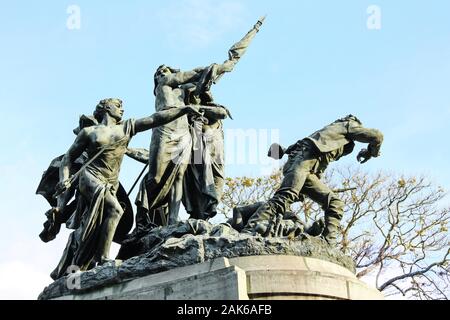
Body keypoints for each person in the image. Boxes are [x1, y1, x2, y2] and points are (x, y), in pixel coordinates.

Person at [50, 98, 200, 279]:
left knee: (94, 225)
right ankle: (104, 257)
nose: (122, 109)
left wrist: (183, 110)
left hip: (110, 182)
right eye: (118, 106)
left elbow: (155, 119)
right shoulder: (88, 132)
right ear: (106, 108)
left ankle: (84, 259)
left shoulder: (127, 127)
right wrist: (64, 179)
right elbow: (67, 159)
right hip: (90, 177)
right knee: (115, 210)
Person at [242, 115, 384, 246]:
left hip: (308, 169)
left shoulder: (329, 133)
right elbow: (377, 136)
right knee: (284, 197)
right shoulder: (348, 125)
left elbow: (308, 155)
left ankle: (328, 243)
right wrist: (371, 153)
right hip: (302, 163)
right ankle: (248, 232)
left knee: (335, 203)